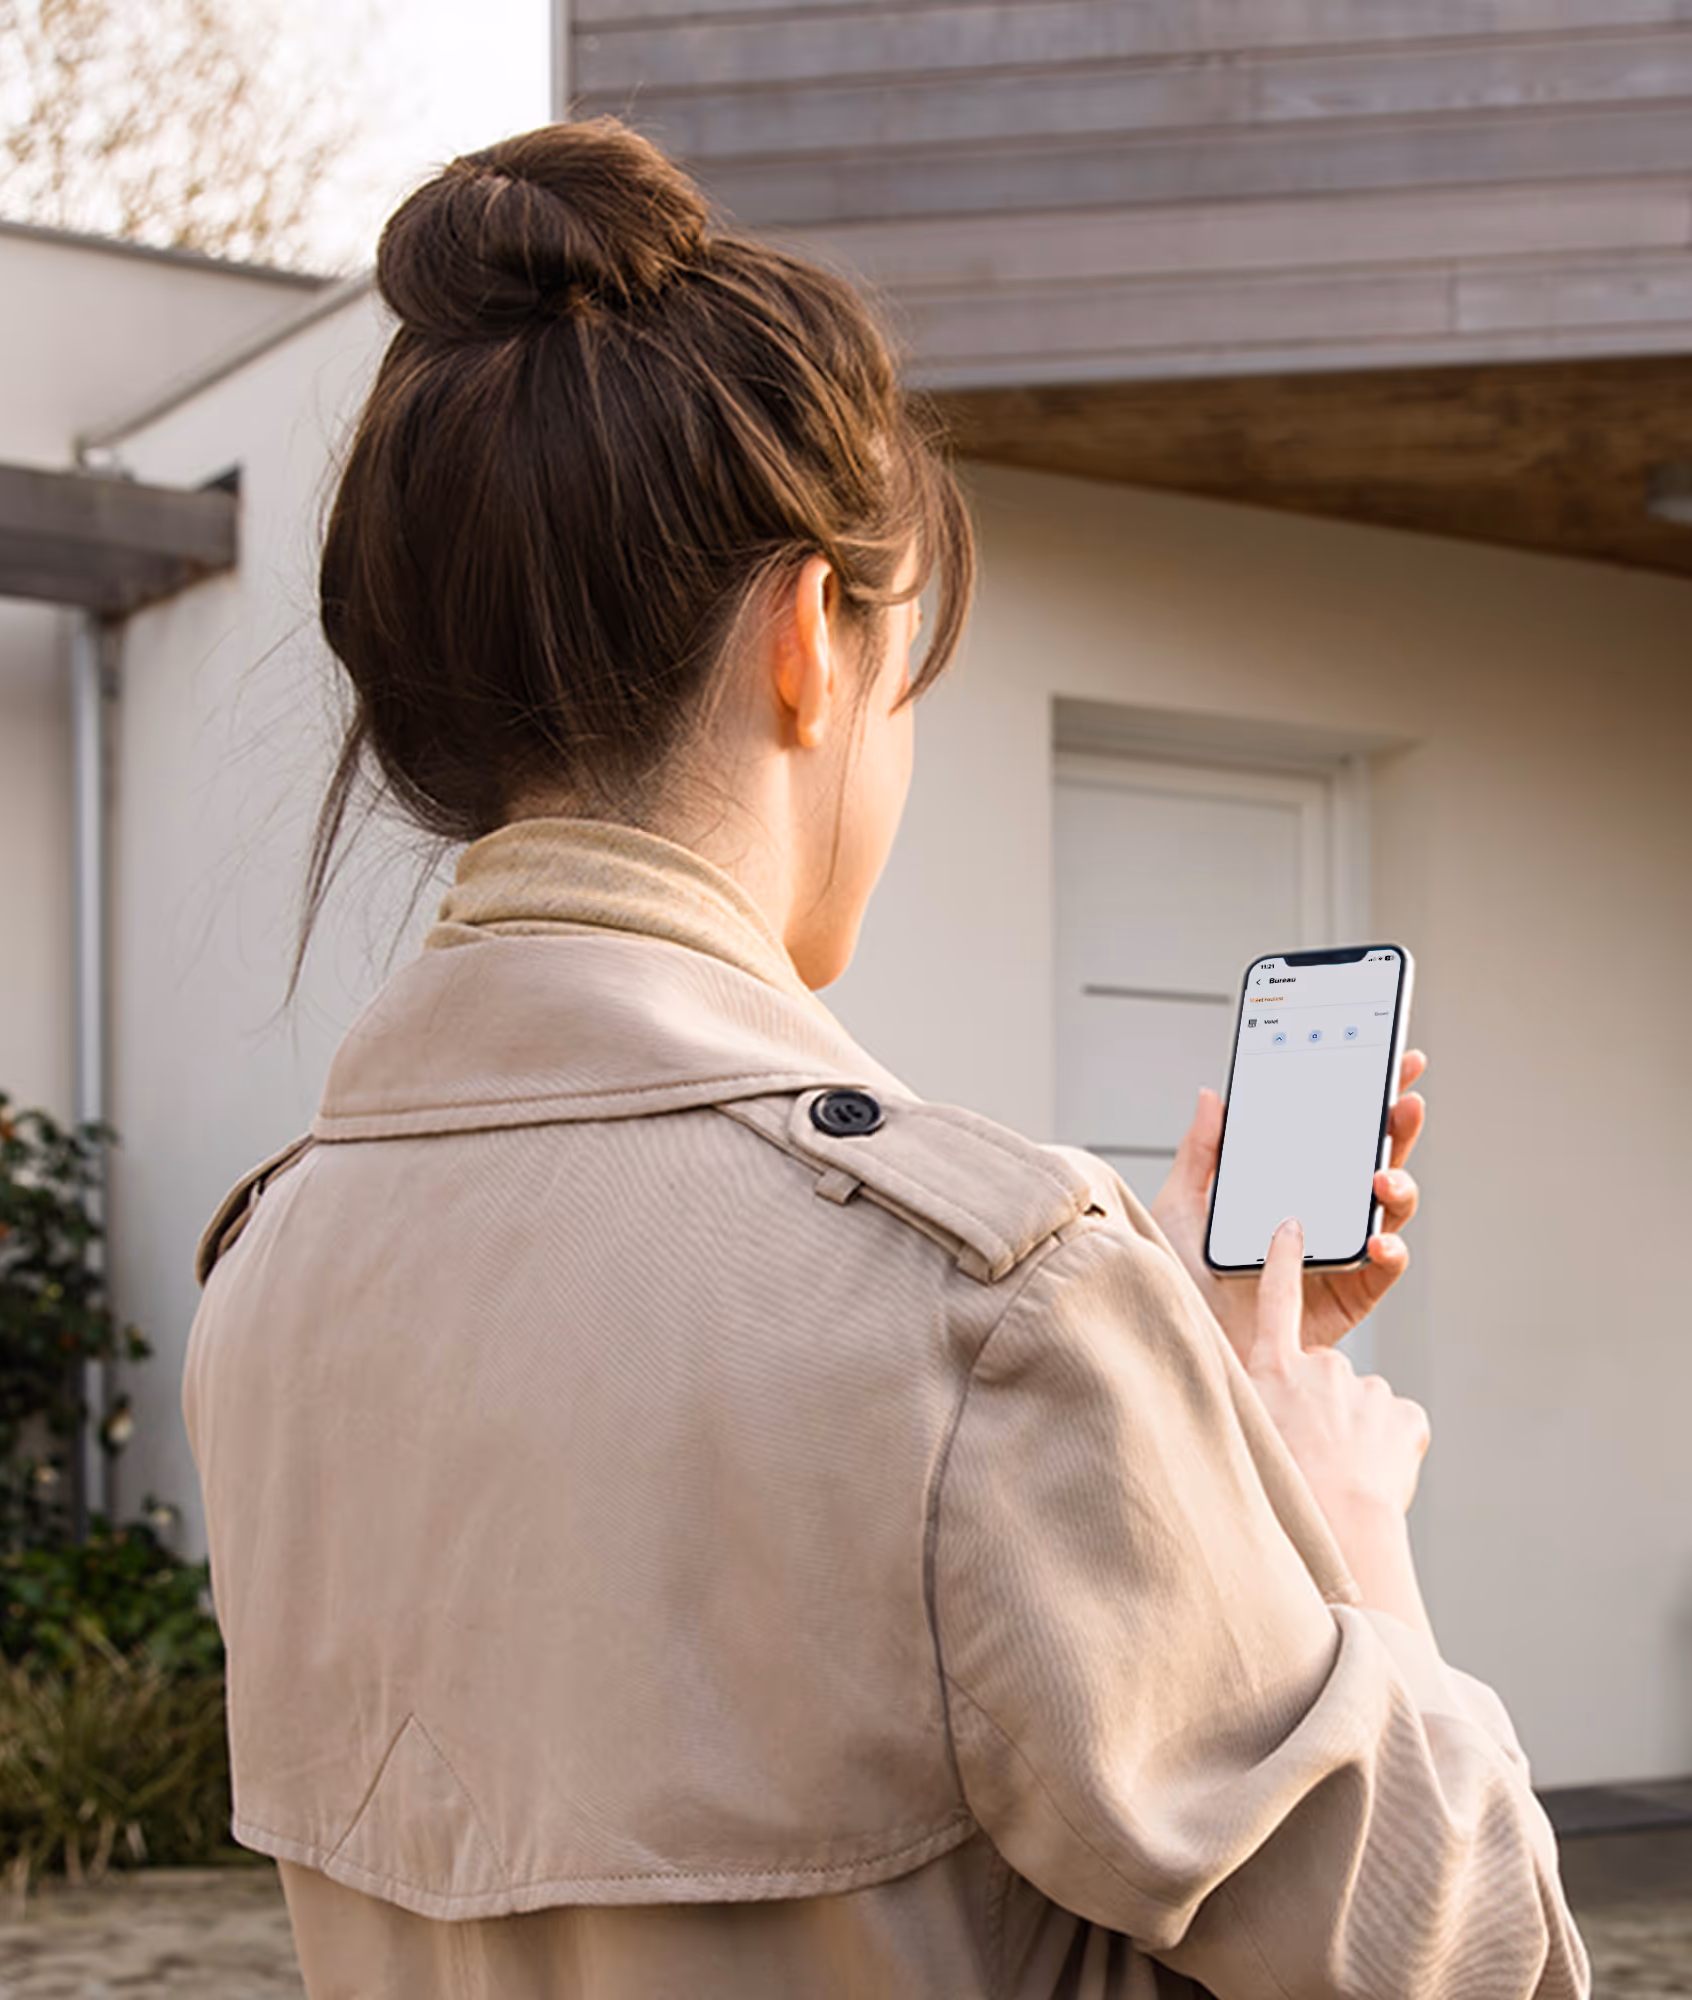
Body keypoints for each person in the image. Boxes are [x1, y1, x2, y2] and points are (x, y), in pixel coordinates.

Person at [183, 119, 1589, 1999]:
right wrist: (1316, 1507)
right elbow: (1474, 1964)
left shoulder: (265, 1277)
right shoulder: (985, 1312)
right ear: (809, 646)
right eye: (910, 671)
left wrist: (1171, 1364)